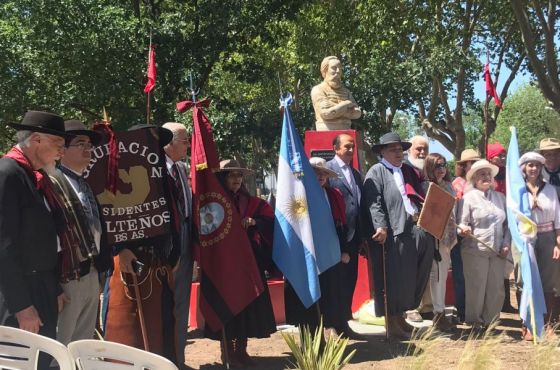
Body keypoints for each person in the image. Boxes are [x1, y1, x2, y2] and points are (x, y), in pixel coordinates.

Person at [104, 124, 181, 364]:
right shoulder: (116, 175)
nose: (153, 146)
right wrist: (120, 249)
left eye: (156, 141)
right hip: (133, 262)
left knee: (163, 324)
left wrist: (174, 255)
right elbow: (106, 215)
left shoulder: (165, 177)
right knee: (131, 329)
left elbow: (173, 217)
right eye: (148, 140)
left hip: (160, 264)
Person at [0, 111, 71, 368]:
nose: (62, 152)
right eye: (58, 145)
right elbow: (4, 247)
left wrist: (53, 288)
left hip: (41, 287)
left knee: (42, 361)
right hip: (20, 295)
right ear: (37, 139)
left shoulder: (33, 175)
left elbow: (44, 239)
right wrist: (22, 306)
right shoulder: (7, 173)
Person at [362, 132, 435, 339]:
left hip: (415, 228)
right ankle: (391, 321)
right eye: (393, 149)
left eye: (400, 149)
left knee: (412, 277)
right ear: (382, 152)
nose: (398, 153)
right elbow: (373, 202)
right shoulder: (376, 172)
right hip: (394, 232)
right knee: (393, 279)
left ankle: (401, 317)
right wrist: (381, 226)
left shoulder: (409, 171)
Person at [208, 159, 276, 367]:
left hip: (249, 265)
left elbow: (270, 221)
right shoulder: (214, 204)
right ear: (222, 178)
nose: (237, 179)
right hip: (225, 265)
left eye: (239, 175)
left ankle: (242, 351)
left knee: (246, 306)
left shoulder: (253, 203)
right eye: (231, 175)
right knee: (229, 307)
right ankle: (227, 353)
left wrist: (255, 222)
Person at [51, 120, 113, 346]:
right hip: (68, 276)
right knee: (61, 343)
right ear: (62, 150)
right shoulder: (51, 182)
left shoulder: (84, 183)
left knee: (82, 343)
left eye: (89, 144)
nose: (88, 149)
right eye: (80, 143)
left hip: (91, 271)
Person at [284, 157, 350, 339]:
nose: (320, 176)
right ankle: (311, 341)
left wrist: (344, 250)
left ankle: (328, 333)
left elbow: (341, 224)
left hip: (330, 255)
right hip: (306, 257)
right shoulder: (298, 197)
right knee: (308, 301)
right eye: (316, 172)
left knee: (329, 297)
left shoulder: (334, 195)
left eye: (323, 173)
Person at [458, 160, 511, 329]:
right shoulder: (467, 199)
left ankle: (491, 322)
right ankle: (474, 322)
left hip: (497, 251)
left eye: (488, 174)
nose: (486, 177)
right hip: (475, 250)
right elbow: (460, 224)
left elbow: (508, 225)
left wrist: (506, 244)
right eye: (482, 174)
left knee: (496, 288)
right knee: (476, 286)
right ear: (474, 178)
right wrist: (464, 229)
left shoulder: (501, 198)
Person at [326, 133, 365, 338]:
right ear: (335, 148)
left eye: (353, 147)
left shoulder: (356, 173)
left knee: (349, 281)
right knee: (335, 283)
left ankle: (343, 324)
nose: (351, 150)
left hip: (353, 238)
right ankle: (331, 324)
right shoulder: (328, 171)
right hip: (335, 237)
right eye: (347, 147)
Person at [517, 152, 560, 340]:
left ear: (541, 168)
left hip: (548, 236)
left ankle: (548, 325)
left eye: (536, 165)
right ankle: (526, 325)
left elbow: (558, 217)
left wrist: (558, 241)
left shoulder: (550, 190)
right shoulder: (518, 191)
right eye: (529, 165)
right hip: (525, 238)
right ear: (524, 168)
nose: (533, 168)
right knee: (524, 280)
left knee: (549, 282)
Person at [162, 122, 193, 370]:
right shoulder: (155, 169)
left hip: (186, 238)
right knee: (165, 306)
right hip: (166, 246)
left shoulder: (181, 169)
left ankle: (178, 359)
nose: (188, 145)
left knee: (182, 303)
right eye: (184, 141)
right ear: (169, 143)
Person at [422, 153, 457, 332]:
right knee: (435, 276)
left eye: (443, 165)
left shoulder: (450, 187)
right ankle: (438, 313)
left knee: (442, 276)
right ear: (429, 167)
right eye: (437, 166)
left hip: (447, 238)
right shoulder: (425, 187)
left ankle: (440, 311)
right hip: (431, 239)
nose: (441, 169)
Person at [450, 148, 481, 324]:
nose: (475, 166)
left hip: (479, 235)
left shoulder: (481, 184)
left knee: (476, 274)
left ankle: (476, 309)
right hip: (460, 235)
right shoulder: (457, 184)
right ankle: (462, 309)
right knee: (461, 274)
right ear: (464, 165)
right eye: (472, 163)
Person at [404, 135, 430, 322]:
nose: (421, 152)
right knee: (410, 269)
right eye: (418, 149)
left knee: (425, 270)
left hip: (429, 227)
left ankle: (424, 306)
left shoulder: (431, 169)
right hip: (409, 228)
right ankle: (410, 308)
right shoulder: (404, 170)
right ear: (410, 150)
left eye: (424, 149)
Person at [311, 56, 361, 131]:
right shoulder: (318, 89)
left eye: (340, 68)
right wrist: (345, 105)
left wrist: (334, 108)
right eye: (334, 68)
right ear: (325, 70)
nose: (338, 71)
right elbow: (326, 114)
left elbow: (357, 113)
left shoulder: (346, 92)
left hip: (346, 130)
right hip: (325, 130)